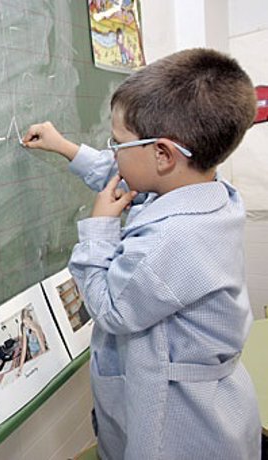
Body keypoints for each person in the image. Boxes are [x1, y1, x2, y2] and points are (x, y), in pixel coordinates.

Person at [22, 48, 261, 459]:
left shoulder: (175, 239)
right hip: (198, 403)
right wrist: (67, 148)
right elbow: (129, 175)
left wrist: (99, 230)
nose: (111, 152)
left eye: (117, 143)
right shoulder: (204, 191)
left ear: (164, 154)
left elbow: (111, 308)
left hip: (182, 429)